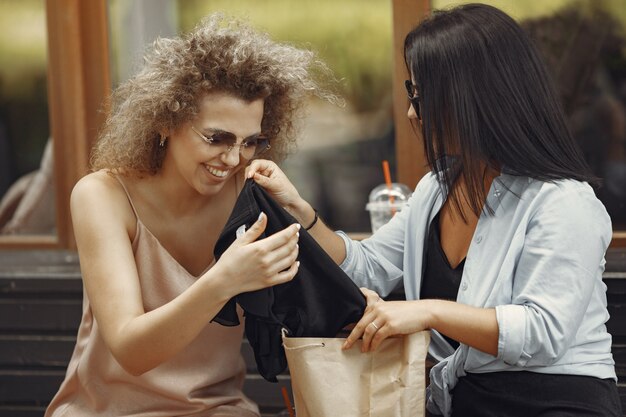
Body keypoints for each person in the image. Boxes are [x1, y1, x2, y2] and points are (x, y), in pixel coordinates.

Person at [246, 3, 621, 416]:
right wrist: (298, 207)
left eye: (421, 97)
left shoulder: (563, 201)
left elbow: (542, 333)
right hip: (463, 401)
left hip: (557, 401)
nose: (410, 113)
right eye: (412, 94)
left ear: (478, 99)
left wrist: (426, 312)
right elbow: (365, 266)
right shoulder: (437, 189)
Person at [45, 14, 334, 417]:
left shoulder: (247, 193)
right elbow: (131, 350)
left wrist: (302, 211)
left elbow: (333, 270)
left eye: (250, 142)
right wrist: (225, 279)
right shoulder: (103, 196)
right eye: (216, 138)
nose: (233, 159)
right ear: (166, 121)